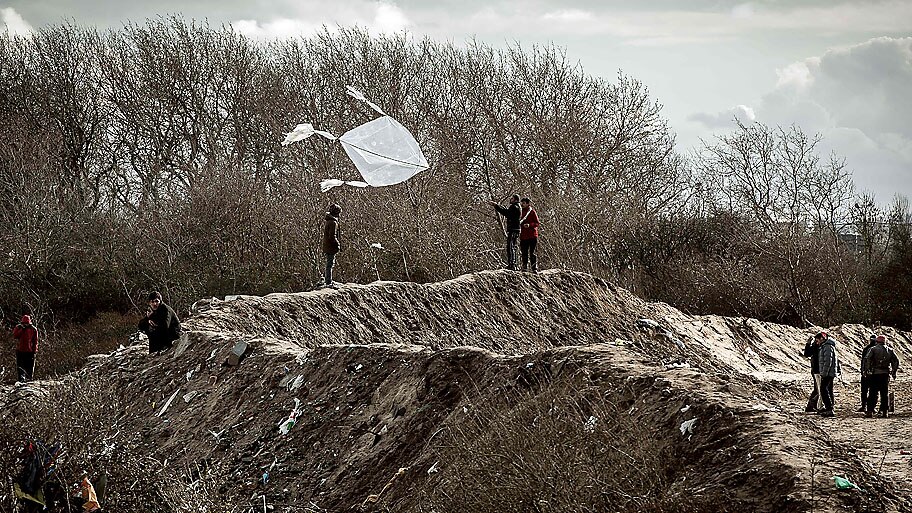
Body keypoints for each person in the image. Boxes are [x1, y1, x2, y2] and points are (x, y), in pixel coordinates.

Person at [863, 334, 900, 418]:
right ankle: (884, 412)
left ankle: (869, 411)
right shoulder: (890, 350)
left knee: (872, 393)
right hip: (885, 374)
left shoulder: (873, 349)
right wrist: (894, 371)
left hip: (875, 374)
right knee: (884, 393)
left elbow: (867, 359)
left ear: (877, 341)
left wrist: (867, 370)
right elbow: (896, 361)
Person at [491, 194, 521, 270]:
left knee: (510, 246)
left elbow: (506, 213)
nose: (510, 200)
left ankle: (512, 264)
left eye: (512, 198)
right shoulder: (518, 207)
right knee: (513, 247)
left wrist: (496, 206)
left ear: (515, 199)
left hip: (513, 229)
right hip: (516, 229)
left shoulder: (514, 207)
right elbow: (507, 212)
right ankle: (514, 264)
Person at [816, 330, 841, 417]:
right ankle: (829, 408)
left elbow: (827, 362)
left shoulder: (827, 347)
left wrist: (824, 373)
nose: (817, 342)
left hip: (828, 373)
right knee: (827, 390)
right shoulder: (827, 346)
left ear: (822, 338)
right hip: (829, 372)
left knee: (824, 390)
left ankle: (829, 409)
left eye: (817, 340)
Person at [12, 315, 38, 382]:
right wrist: (22, 330)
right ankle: (21, 380)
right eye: (24, 323)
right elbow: (15, 336)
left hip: (30, 351)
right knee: (20, 367)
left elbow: (35, 341)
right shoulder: (18, 327)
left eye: (27, 323)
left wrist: (35, 350)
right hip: (20, 350)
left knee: (29, 367)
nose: (25, 325)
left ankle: (29, 380)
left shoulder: (33, 329)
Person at [323, 203, 343, 288]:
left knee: (329, 263)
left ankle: (326, 279)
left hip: (327, 245)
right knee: (330, 264)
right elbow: (332, 236)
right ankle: (328, 281)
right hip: (331, 246)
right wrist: (337, 244)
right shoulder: (333, 222)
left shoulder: (329, 221)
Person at [519, 197, 540, 272]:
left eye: (524, 203)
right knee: (524, 252)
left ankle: (534, 268)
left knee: (532, 253)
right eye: (522, 203)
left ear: (528, 204)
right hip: (523, 236)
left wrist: (529, 225)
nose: (522, 204)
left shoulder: (532, 212)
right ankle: (524, 267)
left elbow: (537, 223)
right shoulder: (520, 212)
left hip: (532, 235)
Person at [803, 333, 823, 412]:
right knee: (819, 389)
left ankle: (811, 406)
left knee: (817, 389)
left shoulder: (818, 345)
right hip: (816, 370)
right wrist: (808, 344)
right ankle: (812, 406)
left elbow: (807, 354)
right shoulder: (816, 346)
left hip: (817, 369)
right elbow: (806, 354)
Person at [858, 334, 878, 412]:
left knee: (866, 391)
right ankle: (871, 407)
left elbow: (863, 361)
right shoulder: (875, 349)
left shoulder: (867, 348)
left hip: (868, 372)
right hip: (873, 373)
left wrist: (863, 371)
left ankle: (865, 406)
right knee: (872, 391)